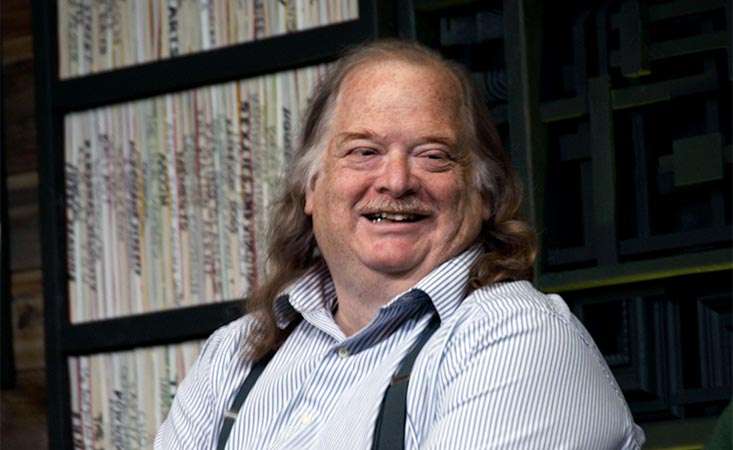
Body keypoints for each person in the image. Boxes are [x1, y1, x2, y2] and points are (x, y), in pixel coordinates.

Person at [155, 39, 645, 449]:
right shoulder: (233, 355)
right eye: (363, 152)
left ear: (483, 193)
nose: (395, 180)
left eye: (432, 156)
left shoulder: (522, 339)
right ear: (311, 186)